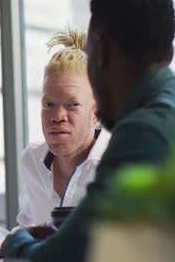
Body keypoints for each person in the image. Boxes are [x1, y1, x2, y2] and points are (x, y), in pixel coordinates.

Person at [2, 0, 175, 261]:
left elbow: (60, 259)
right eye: (48, 104)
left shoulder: (144, 133)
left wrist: (16, 243)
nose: (58, 116)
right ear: (167, 52)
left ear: (101, 53)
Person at [17, 28, 110, 227]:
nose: (57, 117)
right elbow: (26, 229)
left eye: (72, 105)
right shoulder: (32, 161)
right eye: (48, 104)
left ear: (96, 114)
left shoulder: (117, 163)